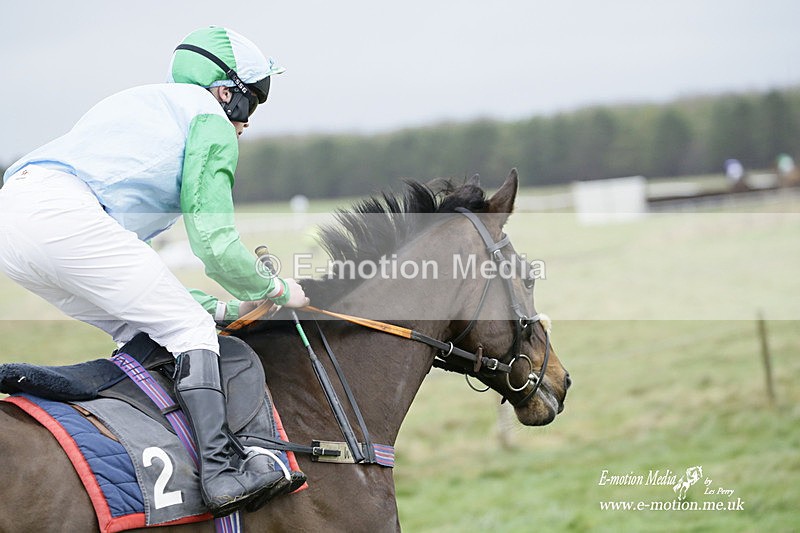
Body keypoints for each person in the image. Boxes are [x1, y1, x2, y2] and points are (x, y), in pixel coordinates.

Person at [0, 26, 308, 517]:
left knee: (140, 326)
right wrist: (275, 286)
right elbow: (215, 244)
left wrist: (227, 308)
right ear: (225, 93)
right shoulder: (207, 117)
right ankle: (223, 472)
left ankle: (78, 396)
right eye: (253, 103)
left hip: (16, 224)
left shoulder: (144, 107)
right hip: (61, 213)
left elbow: (138, 274)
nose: (247, 124)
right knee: (187, 330)